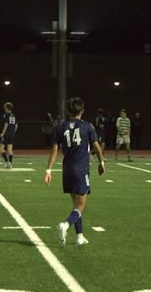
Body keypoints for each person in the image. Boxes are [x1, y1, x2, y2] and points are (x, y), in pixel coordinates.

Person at [44, 97, 105, 246]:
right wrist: (101, 162)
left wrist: (48, 170)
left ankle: (79, 236)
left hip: (67, 170)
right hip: (81, 169)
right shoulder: (88, 126)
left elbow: (54, 150)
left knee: (75, 204)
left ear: (67, 111)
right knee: (81, 206)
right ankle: (65, 225)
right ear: (82, 111)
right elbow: (97, 147)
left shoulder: (60, 127)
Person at [0, 102, 18, 168]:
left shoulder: (6, 115)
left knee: (1, 149)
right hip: (12, 134)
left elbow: (6, 124)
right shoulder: (13, 115)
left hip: (7, 134)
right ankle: (10, 164)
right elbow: (16, 125)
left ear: (6, 108)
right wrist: (13, 132)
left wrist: (3, 133)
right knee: (10, 150)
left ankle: (7, 162)